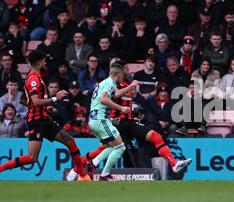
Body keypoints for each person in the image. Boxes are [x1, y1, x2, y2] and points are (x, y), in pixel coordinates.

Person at [0, 51, 91, 181]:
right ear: (38, 62)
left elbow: (24, 100)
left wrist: (44, 106)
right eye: (43, 60)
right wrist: (55, 98)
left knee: (70, 140)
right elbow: (36, 101)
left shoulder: (36, 76)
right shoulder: (33, 79)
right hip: (36, 121)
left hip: (43, 118)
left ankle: (82, 175)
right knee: (32, 158)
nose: (45, 63)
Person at [109, 64, 191, 173]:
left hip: (126, 124)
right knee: (109, 149)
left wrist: (132, 117)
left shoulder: (127, 90)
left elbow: (128, 107)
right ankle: (87, 168)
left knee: (151, 140)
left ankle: (173, 164)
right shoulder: (111, 84)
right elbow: (111, 98)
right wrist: (131, 86)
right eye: (126, 70)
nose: (128, 72)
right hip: (117, 124)